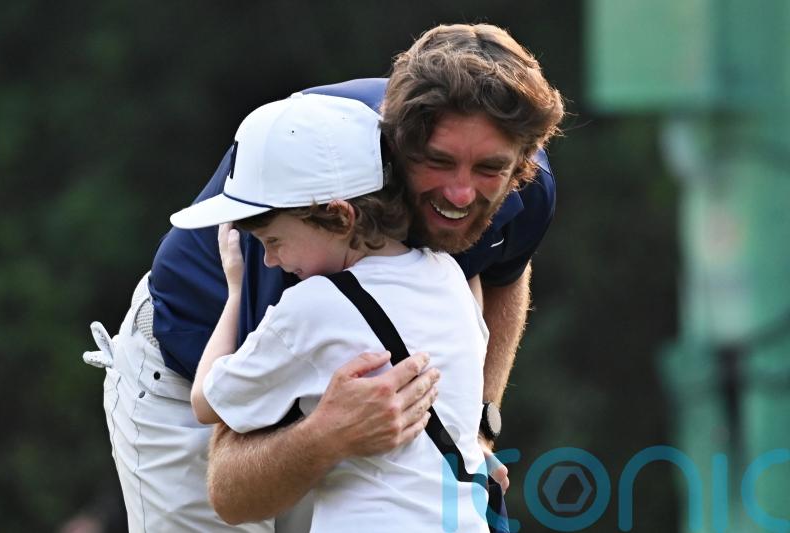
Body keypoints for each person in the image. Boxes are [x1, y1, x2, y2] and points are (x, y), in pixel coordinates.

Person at [85, 22, 562, 533]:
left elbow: (501, 273)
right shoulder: (308, 231)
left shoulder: (526, 187)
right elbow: (232, 486)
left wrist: (477, 426)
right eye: (439, 161)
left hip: (342, 397)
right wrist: (327, 434)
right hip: (195, 370)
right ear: (397, 149)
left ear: (521, 164)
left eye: (490, 168)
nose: (462, 194)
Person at [168, 91, 492, 531]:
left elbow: (206, 401)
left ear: (340, 218)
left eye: (274, 241)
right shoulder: (449, 275)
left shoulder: (313, 306)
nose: (270, 261)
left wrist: (236, 292)